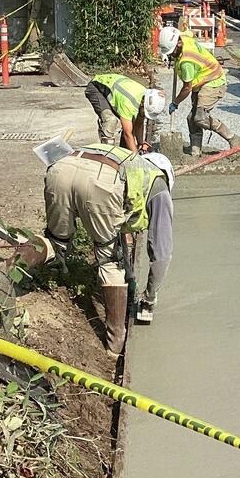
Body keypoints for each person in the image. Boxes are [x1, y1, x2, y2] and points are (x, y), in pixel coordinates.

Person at [42, 142, 175, 354]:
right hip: (100, 181)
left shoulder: (131, 165)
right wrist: (149, 298)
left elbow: (120, 226)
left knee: (54, 240)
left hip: (62, 167)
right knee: (109, 260)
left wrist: (131, 277)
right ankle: (114, 348)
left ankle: (8, 272)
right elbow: (162, 253)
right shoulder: (159, 187)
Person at [158, 24, 240, 157]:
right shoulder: (184, 37)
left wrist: (175, 102)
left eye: (172, 52)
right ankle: (195, 150)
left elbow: (187, 88)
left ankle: (234, 139)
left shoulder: (186, 61)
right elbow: (190, 32)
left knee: (200, 118)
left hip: (213, 81)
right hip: (202, 80)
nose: (171, 55)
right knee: (191, 118)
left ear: (178, 44)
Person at [85, 72, 166, 150]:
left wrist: (140, 143)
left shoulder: (145, 97)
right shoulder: (129, 103)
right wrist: (135, 157)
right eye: (145, 111)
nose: (144, 114)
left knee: (131, 124)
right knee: (110, 121)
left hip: (115, 90)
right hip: (96, 87)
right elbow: (127, 134)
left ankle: (124, 153)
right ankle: (106, 154)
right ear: (143, 103)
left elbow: (139, 123)